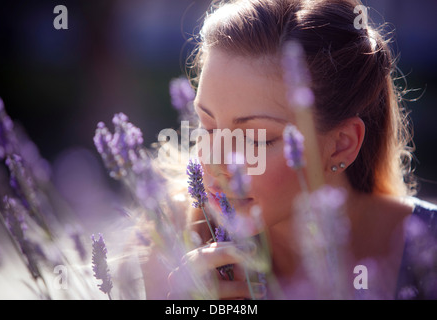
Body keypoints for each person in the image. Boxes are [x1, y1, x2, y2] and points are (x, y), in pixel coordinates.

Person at [155, 0, 437, 300]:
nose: (213, 164)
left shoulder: (427, 251)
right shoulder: (174, 250)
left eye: (255, 140)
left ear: (342, 145)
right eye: (207, 127)